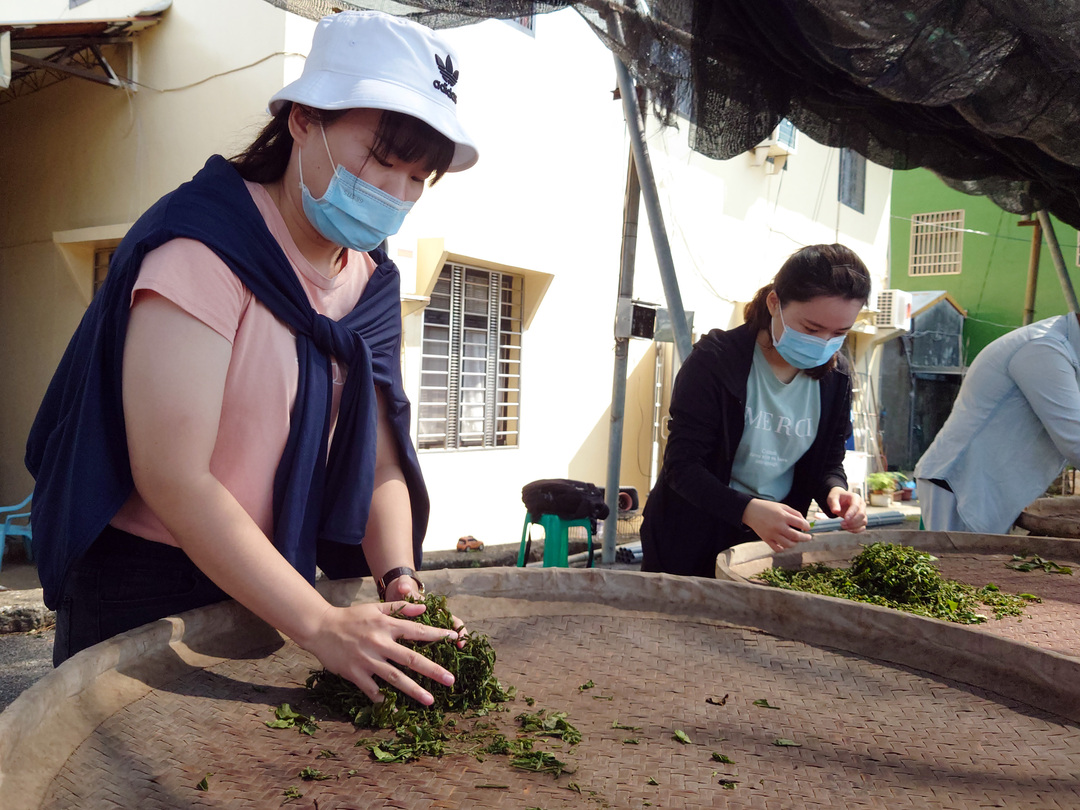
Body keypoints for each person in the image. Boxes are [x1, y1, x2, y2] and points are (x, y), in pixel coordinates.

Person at [25, 11, 477, 707]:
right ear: (302, 119)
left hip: (274, 578)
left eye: (419, 177)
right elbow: (173, 476)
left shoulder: (371, 286)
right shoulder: (204, 250)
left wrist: (398, 580)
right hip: (146, 581)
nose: (396, 194)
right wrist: (320, 624)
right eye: (382, 160)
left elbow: (382, 456)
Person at [640, 244, 870, 577]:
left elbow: (827, 464)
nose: (823, 343)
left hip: (768, 546)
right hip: (687, 539)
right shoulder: (717, 359)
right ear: (774, 303)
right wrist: (746, 510)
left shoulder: (836, 378)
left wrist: (837, 492)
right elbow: (682, 466)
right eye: (811, 329)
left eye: (839, 333)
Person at [916, 313, 1080, 534]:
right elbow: (1075, 442)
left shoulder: (1061, 348)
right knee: (958, 566)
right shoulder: (1042, 348)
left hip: (988, 493)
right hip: (964, 491)